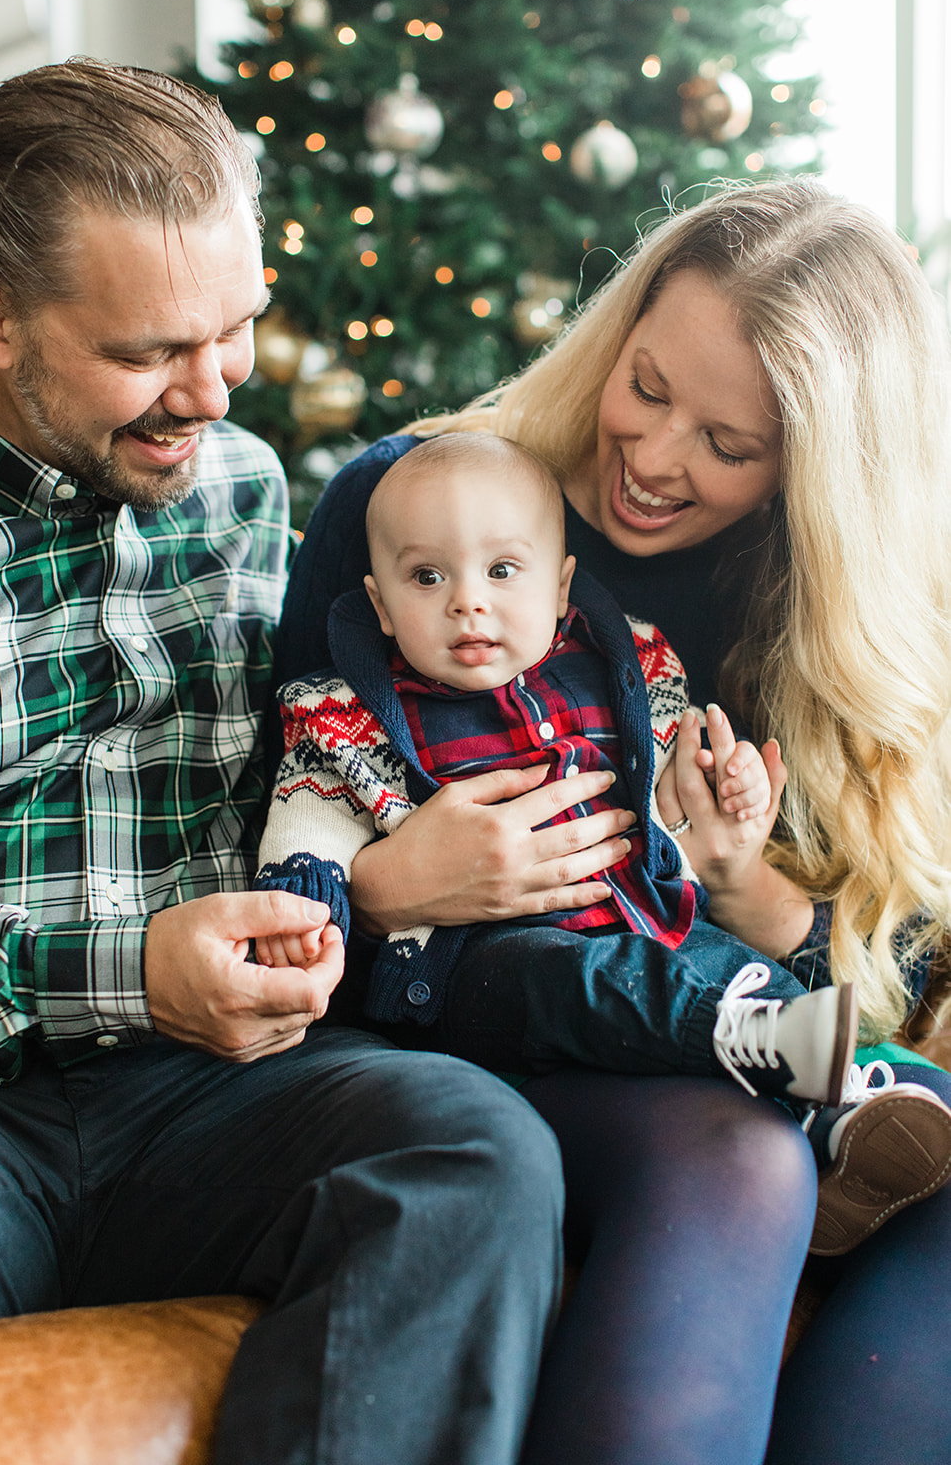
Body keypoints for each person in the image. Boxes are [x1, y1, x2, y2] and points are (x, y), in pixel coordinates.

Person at [0, 58, 567, 1465]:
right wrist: (125, 971)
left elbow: (337, 752)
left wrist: (353, 894)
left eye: (238, 327)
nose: (209, 391)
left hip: (212, 1102)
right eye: (147, 354)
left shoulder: (249, 489)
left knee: (468, 1150)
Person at [275, 179, 951, 1464]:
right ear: (617, 329)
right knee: (741, 1159)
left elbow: (890, 952)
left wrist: (742, 882)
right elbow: (276, 833)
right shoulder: (421, 507)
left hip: (707, 1005)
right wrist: (388, 887)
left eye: (725, 444)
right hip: (456, 1019)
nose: (651, 457)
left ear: (809, 473)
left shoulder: (803, 616)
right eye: (646, 386)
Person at [256, 429, 951, 1242]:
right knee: (558, 974)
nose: (467, 602)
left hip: (644, 924)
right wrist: (308, 903)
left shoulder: (617, 673)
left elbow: (667, 793)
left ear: (560, 590)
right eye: (426, 577)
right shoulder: (351, 716)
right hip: (479, 970)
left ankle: (852, 1109)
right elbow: (307, 823)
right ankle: (803, 1068)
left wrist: (725, 796)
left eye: (502, 572)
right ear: (379, 604)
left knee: (712, 962)